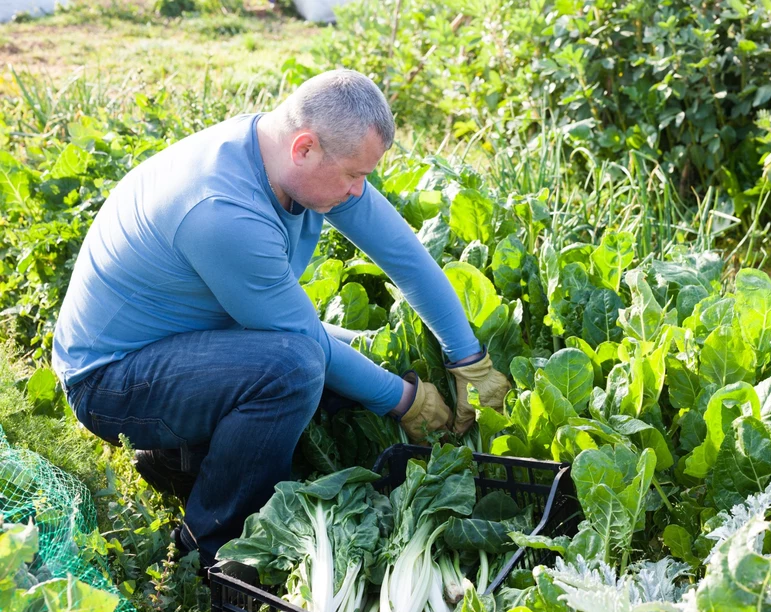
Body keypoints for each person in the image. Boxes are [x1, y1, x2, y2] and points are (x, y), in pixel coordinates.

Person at [51, 69, 510, 566]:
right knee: (294, 368)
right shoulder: (221, 209)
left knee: (358, 347)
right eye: (355, 175)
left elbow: (406, 257)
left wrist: (470, 360)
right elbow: (304, 341)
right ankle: (207, 548)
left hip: (188, 342)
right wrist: (409, 404)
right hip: (111, 382)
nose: (359, 191)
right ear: (306, 147)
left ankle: (182, 460)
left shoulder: (287, 160)